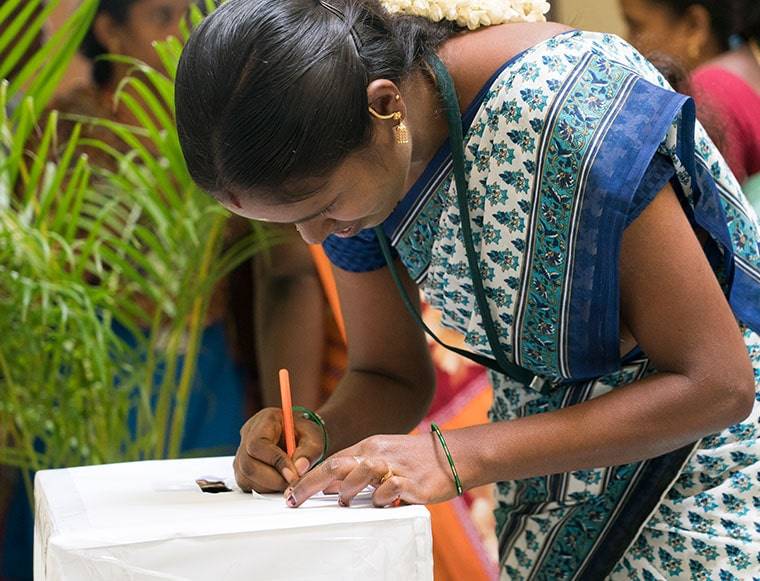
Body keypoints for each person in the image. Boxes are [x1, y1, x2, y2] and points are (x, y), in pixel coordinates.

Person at [174, 0, 760, 578]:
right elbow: (389, 375)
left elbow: (717, 385)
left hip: (706, 491)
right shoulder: (363, 174)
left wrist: (456, 453)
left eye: (322, 208)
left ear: (386, 107)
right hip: (547, 504)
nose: (312, 237)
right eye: (288, 222)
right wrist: (315, 433)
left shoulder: (557, 114)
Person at [620, 0, 760, 185]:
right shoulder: (747, 65)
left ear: (694, 25)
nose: (627, 42)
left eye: (635, 25)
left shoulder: (705, 94)